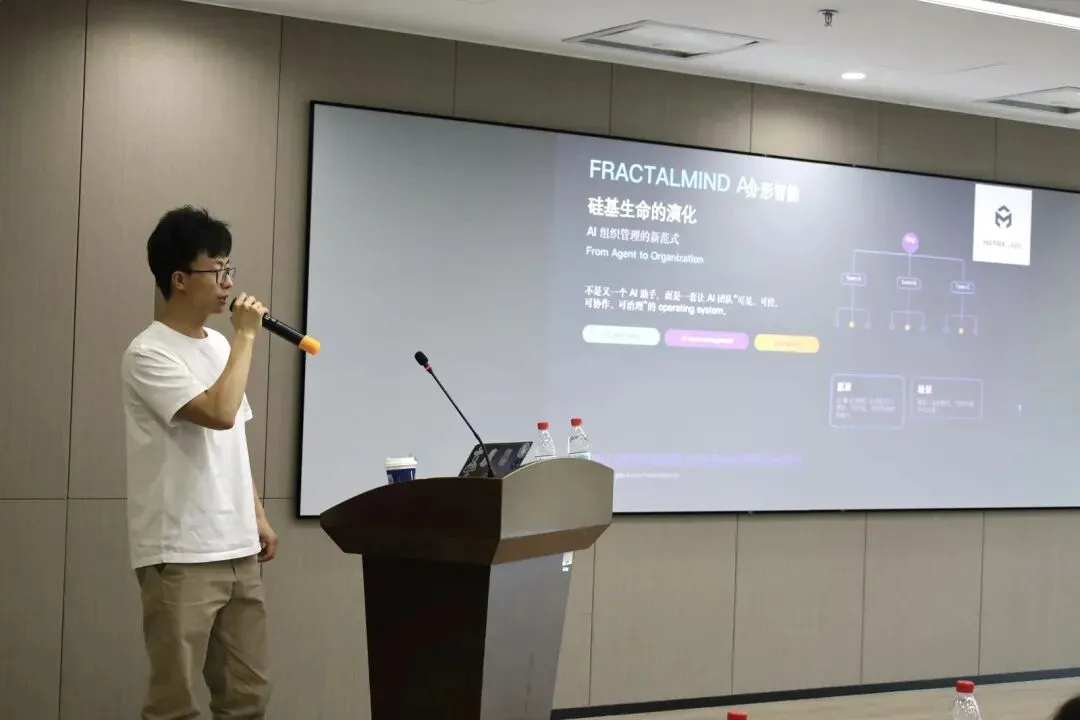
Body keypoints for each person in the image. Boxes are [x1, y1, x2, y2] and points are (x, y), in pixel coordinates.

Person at [121, 205, 278, 719]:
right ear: (180, 279)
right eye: (218, 270)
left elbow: (235, 442)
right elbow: (219, 414)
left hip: (237, 546)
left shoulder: (219, 344)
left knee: (248, 698)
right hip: (181, 551)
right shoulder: (148, 353)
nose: (229, 282)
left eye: (230, 268)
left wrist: (257, 515)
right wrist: (248, 337)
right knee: (176, 704)